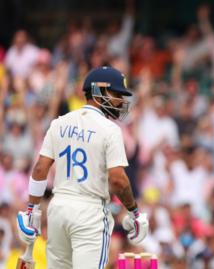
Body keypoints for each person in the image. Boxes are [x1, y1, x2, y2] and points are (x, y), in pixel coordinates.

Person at [15, 66, 149, 268]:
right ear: (98, 92)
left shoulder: (59, 123)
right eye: (117, 94)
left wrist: (31, 209)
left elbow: (40, 169)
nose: (121, 101)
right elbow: (118, 179)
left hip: (58, 209)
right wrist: (134, 213)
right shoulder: (110, 130)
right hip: (90, 212)